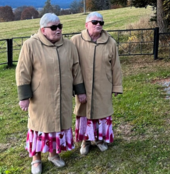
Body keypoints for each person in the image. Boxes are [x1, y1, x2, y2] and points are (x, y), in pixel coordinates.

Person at [16, 13, 87, 174]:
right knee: (39, 126)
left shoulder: (69, 46)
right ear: (43, 29)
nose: (58, 30)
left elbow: (76, 70)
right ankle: (36, 159)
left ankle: (54, 154)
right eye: (54, 27)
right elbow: (22, 72)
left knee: (57, 126)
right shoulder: (30, 45)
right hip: (41, 97)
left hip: (63, 96)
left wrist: (80, 91)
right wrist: (24, 97)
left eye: (60, 26)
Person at [71, 12, 123, 155]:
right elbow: (70, 65)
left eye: (101, 22)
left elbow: (116, 67)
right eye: (95, 22)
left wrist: (117, 86)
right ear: (86, 24)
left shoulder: (110, 42)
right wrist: (75, 88)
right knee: (84, 113)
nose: (98, 25)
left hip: (103, 86)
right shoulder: (76, 40)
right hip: (83, 87)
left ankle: (100, 140)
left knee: (102, 113)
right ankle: (86, 141)